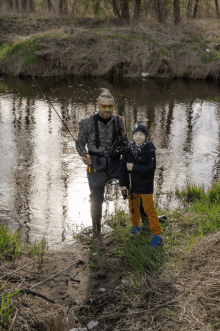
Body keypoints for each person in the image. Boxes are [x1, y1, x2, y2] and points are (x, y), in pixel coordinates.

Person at [75, 88, 127, 237]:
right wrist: (84, 155)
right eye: (104, 106)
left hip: (116, 164)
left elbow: (125, 142)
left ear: (113, 106)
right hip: (95, 165)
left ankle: (144, 220)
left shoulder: (119, 121)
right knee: (96, 198)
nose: (107, 109)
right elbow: (79, 142)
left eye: (110, 106)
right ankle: (96, 231)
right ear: (98, 105)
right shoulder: (86, 123)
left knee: (135, 184)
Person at [120, 121, 163, 248]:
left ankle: (157, 235)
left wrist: (134, 167)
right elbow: (122, 168)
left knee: (150, 210)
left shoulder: (149, 150)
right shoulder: (128, 150)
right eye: (136, 134)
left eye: (141, 134)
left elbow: (151, 169)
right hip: (133, 187)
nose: (138, 136)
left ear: (146, 136)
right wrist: (123, 184)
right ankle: (135, 226)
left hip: (145, 187)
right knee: (133, 209)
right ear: (132, 136)